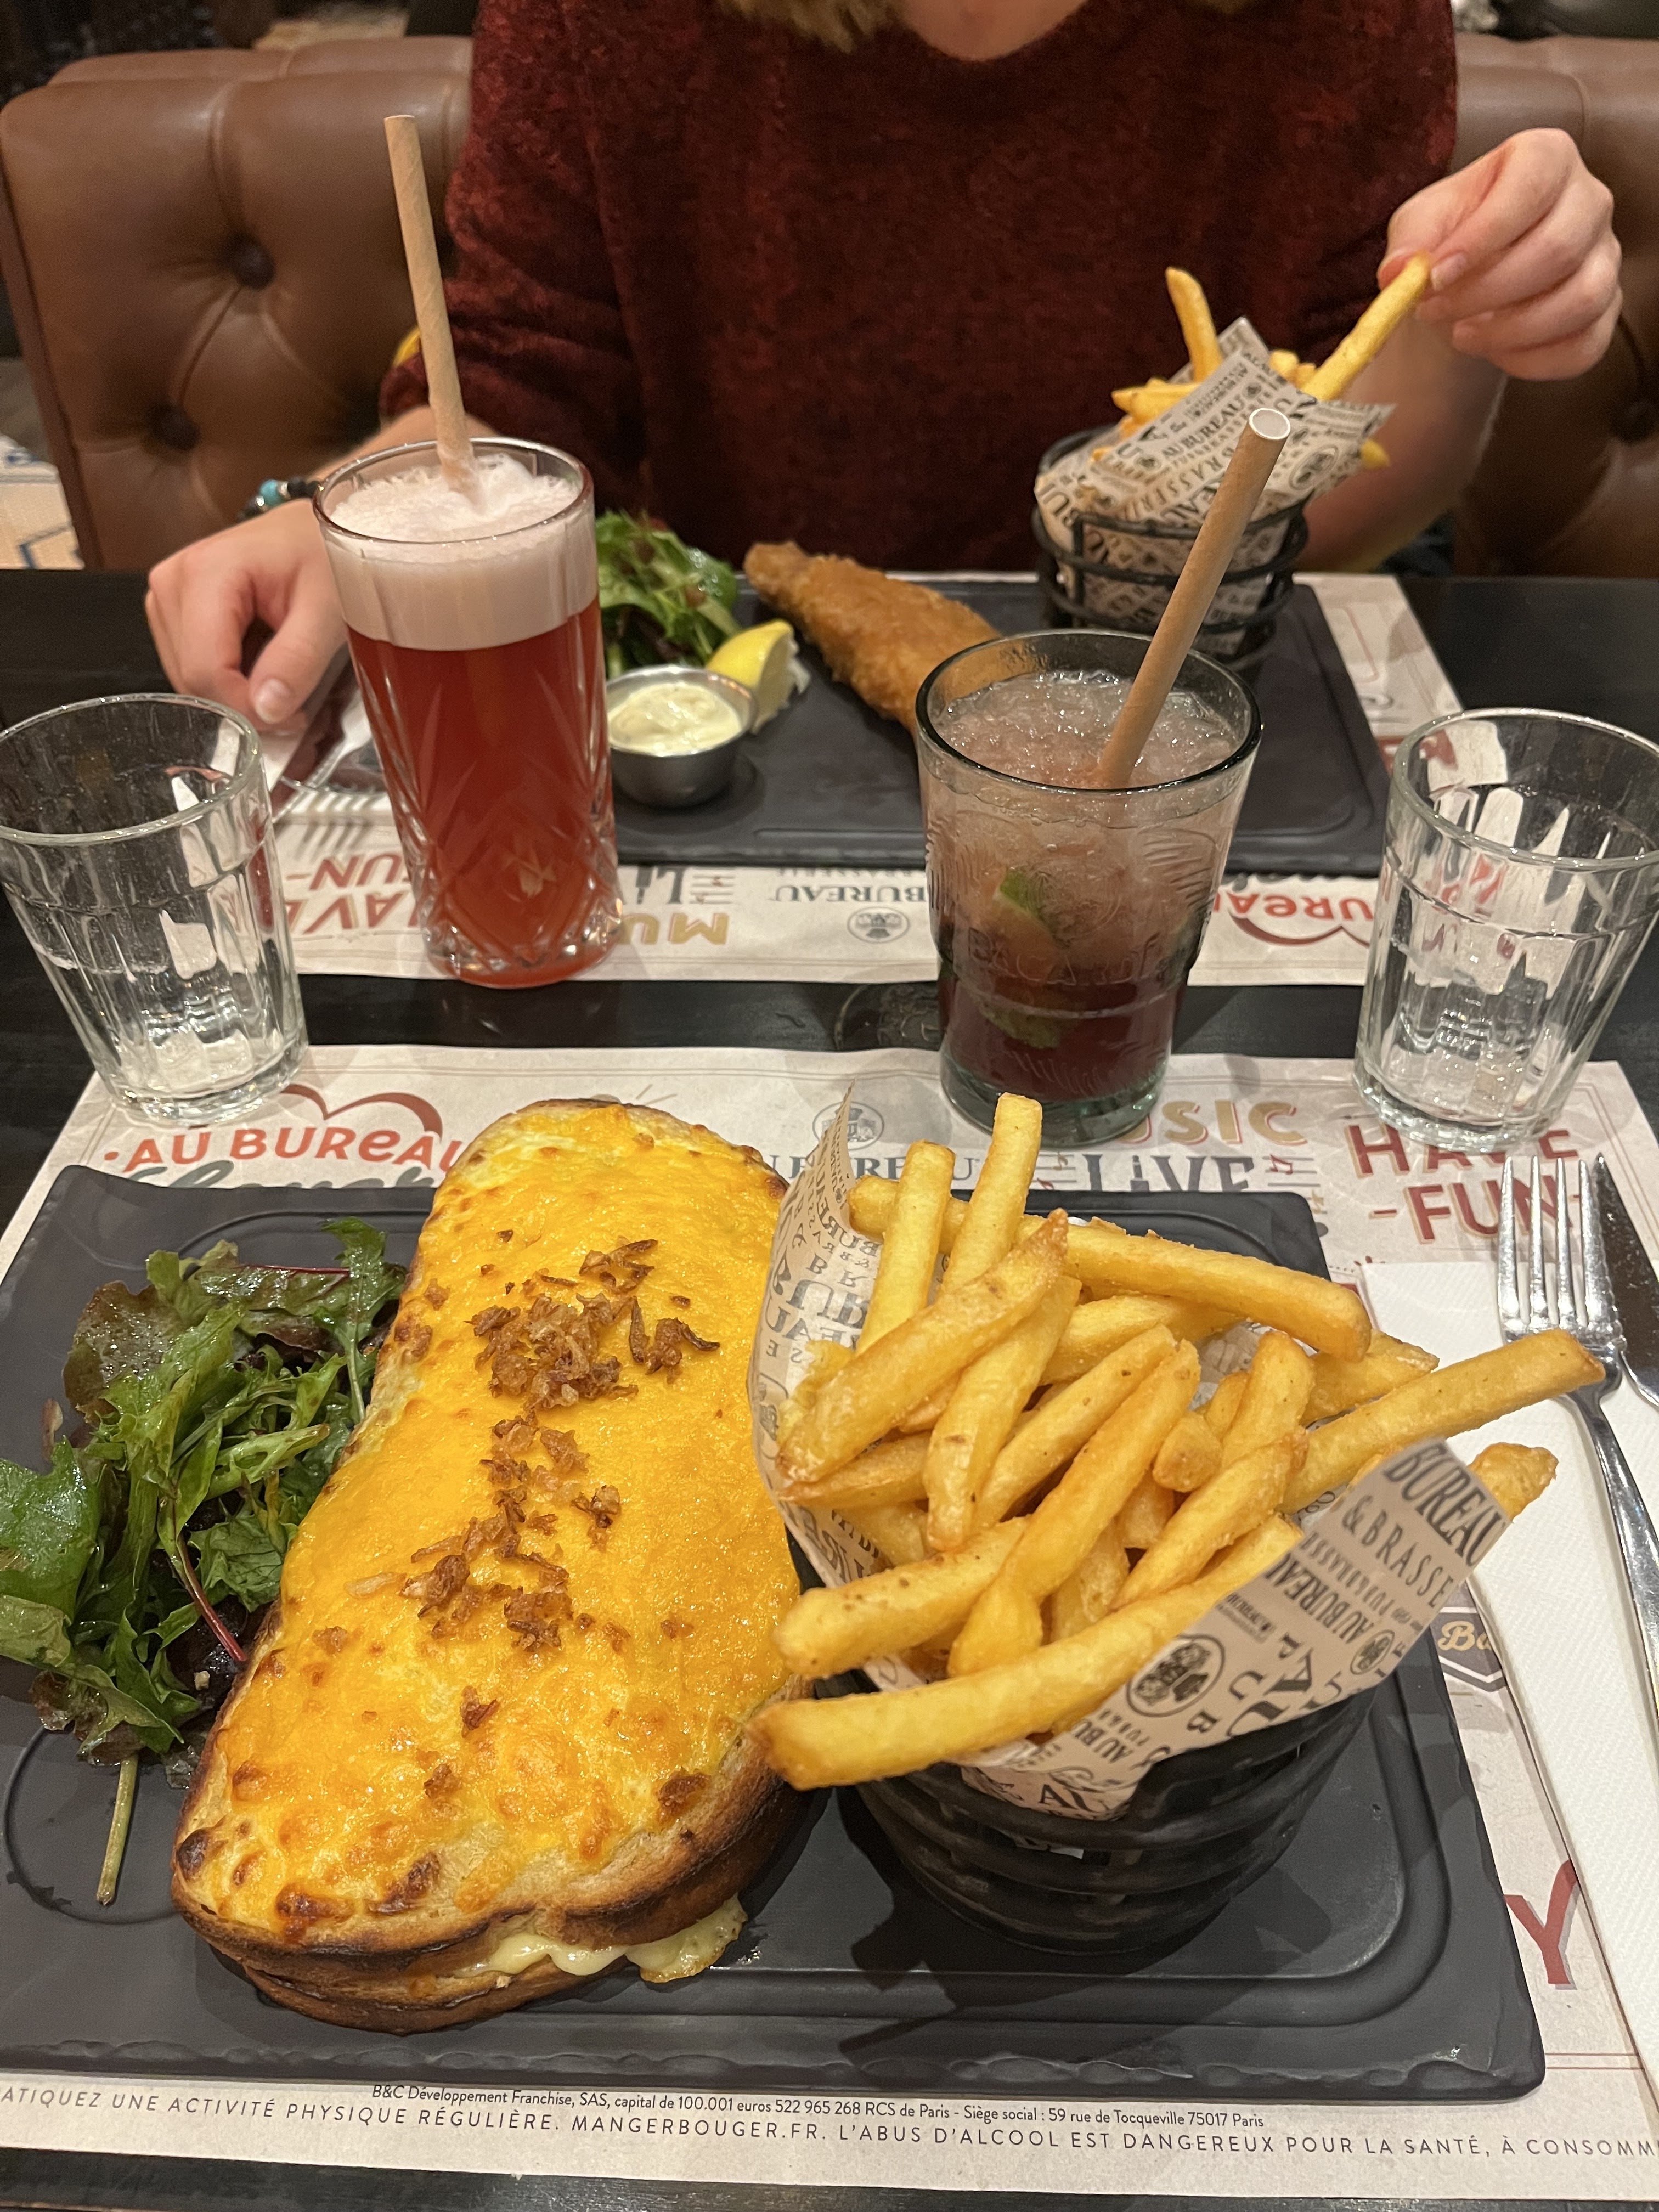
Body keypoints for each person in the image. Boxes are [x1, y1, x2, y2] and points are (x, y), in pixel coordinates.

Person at [145, 0, 1622, 738]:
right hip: (721, 713)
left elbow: (1332, 484)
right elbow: (523, 383)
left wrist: (1474, 319)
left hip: (1187, 711)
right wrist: (355, 515)